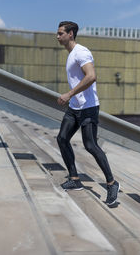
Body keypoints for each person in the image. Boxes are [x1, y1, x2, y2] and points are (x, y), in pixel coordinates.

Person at [56, 21, 120, 206]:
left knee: (90, 145)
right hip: (75, 107)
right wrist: (72, 98)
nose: (57, 36)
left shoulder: (81, 52)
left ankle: (112, 183)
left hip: (88, 108)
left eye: (61, 33)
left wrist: (69, 94)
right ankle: (75, 179)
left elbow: (91, 76)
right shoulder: (70, 54)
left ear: (71, 34)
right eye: (58, 33)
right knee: (62, 138)